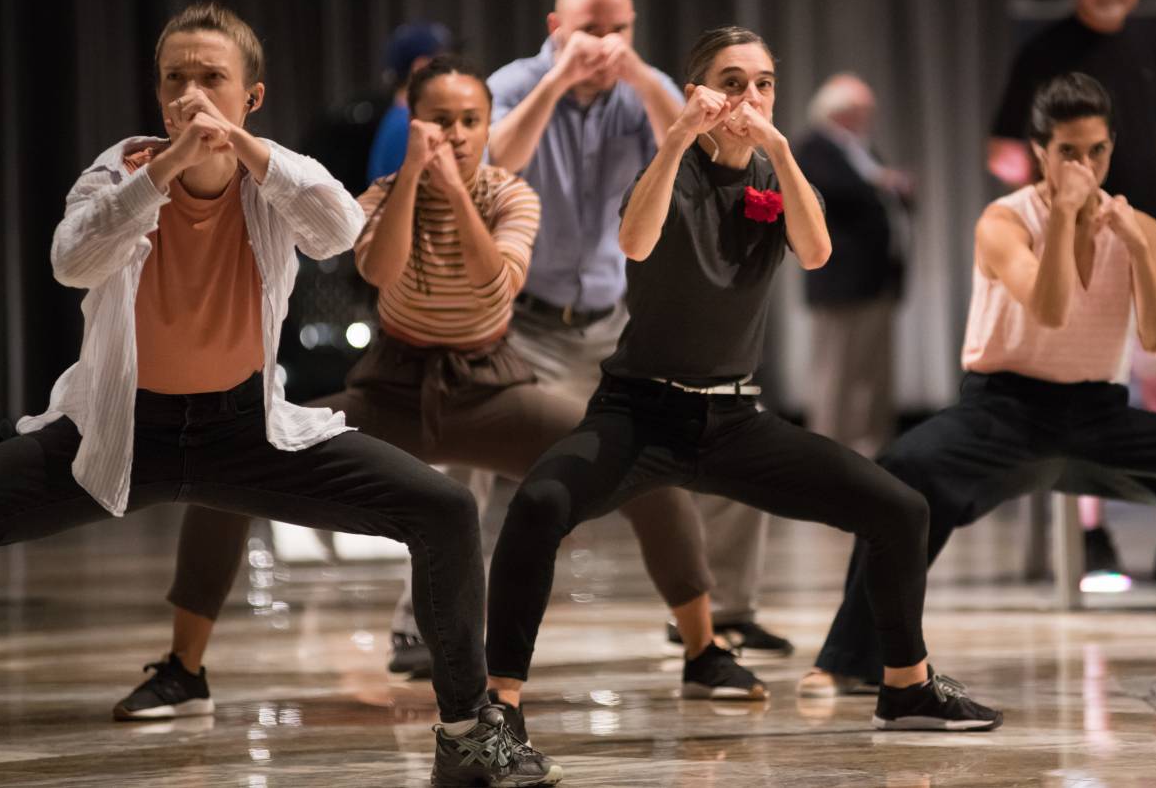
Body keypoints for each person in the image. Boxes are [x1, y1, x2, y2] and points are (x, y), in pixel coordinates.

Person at [0, 3, 560, 786]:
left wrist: (245, 153)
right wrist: (163, 170)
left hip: (244, 432)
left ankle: (466, 737)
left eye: (212, 79)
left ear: (250, 97)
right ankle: (184, 668)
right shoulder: (122, 167)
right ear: (157, 93)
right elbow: (71, 261)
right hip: (118, 430)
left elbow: (333, 232)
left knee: (445, 509)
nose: (191, 94)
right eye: (175, 79)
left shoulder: (275, 176)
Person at [126, 54, 751, 712]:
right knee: (233, 465)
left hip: (490, 391)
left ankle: (704, 651)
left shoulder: (512, 193)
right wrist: (414, 184)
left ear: (488, 127)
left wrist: (455, 192)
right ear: (413, 123)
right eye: (438, 121)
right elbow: (379, 272)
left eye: (469, 121)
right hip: (390, 391)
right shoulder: (377, 194)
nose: (454, 134)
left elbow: (494, 283)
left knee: (645, 465)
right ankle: (183, 667)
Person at [482, 26, 1003, 745]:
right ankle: (499, 703)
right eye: (731, 82)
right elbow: (634, 242)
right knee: (539, 504)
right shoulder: (670, 167)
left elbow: (817, 252)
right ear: (697, 91)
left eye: (762, 83)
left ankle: (906, 687)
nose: (749, 97)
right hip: (640, 411)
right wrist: (676, 137)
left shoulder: (775, 173)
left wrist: (780, 149)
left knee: (899, 510)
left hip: (733, 420)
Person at [805, 73, 1156, 697]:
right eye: (1068, 151)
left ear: (1112, 149)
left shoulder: (1138, 226)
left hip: (1097, 414)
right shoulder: (1003, 221)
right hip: (1000, 411)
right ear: (1040, 152)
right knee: (900, 480)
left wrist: (1143, 253)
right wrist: (1064, 217)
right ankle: (850, 660)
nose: (1084, 166)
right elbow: (1051, 309)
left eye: (1096, 151)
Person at [487, 0, 793, 658]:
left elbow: (690, 146)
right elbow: (495, 162)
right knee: (464, 459)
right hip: (522, 324)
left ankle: (727, 613)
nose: (605, 45)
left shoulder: (643, 88)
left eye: (619, 29)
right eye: (590, 30)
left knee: (726, 428)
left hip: (611, 324)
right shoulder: (512, 85)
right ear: (555, 28)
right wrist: (558, 81)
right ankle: (429, 623)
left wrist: (641, 80)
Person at [987, 0, 1156, 582]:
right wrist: (1052, 199)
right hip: (1082, 253)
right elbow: (1004, 147)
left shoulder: (1151, 47)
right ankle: (1090, 540)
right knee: (1089, 393)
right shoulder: (1044, 53)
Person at [797, 73, 912, 457]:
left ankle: (872, 448)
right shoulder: (815, 148)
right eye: (862, 109)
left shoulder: (862, 149)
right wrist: (882, 184)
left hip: (878, 279)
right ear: (838, 111)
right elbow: (831, 194)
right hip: (841, 282)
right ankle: (829, 451)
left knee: (875, 373)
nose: (868, 116)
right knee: (838, 372)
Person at [367, 20, 454, 184]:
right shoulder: (410, 126)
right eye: (443, 60)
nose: (451, 70)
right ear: (421, 67)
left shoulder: (399, 118)